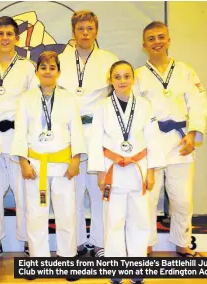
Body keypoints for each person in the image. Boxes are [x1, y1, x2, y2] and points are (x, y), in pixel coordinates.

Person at [134, 21, 207, 258]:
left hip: (180, 142)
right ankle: (146, 244)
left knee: (183, 199)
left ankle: (182, 242)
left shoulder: (186, 70)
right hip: (151, 142)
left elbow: (197, 103)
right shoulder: (137, 76)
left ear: (169, 39)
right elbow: (134, 113)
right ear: (144, 44)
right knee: (148, 199)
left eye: (161, 37)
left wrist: (193, 133)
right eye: (152, 38)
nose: (157, 42)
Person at [88, 60, 165, 284]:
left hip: (138, 169)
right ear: (110, 80)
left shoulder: (144, 105)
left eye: (126, 76)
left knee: (140, 220)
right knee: (113, 220)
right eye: (117, 77)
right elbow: (95, 141)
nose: (122, 81)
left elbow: (152, 138)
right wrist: (100, 172)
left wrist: (151, 171)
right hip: (113, 169)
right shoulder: (101, 107)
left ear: (133, 79)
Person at [11, 51, 86, 281]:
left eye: (52, 67)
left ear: (59, 72)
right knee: (36, 215)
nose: (47, 71)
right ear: (36, 72)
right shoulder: (25, 99)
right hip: (36, 166)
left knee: (67, 212)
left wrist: (75, 160)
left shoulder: (69, 98)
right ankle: (38, 261)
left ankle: (68, 259)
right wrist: (23, 162)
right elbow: (20, 132)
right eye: (43, 67)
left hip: (63, 165)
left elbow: (77, 131)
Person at [0, 16, 39, 259]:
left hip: (18, 136)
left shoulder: (27, 67)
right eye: (0, 34)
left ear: (17, 38)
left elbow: (33, 103)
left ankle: (26, 241)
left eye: (9, 34)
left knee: (23, 194)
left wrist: (29, 140)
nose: (4, 38)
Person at [57, 10, 119, 257]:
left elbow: (115, 98)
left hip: (98, 132)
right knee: (73, 191)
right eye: (80, 29)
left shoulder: (109, 59)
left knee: (99, 191)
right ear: (74, 32)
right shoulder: (61, 59)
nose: (85, 33)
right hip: (70, 132)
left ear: (96, 31)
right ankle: (77, 241)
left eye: (89, 28)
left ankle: (102, 242)